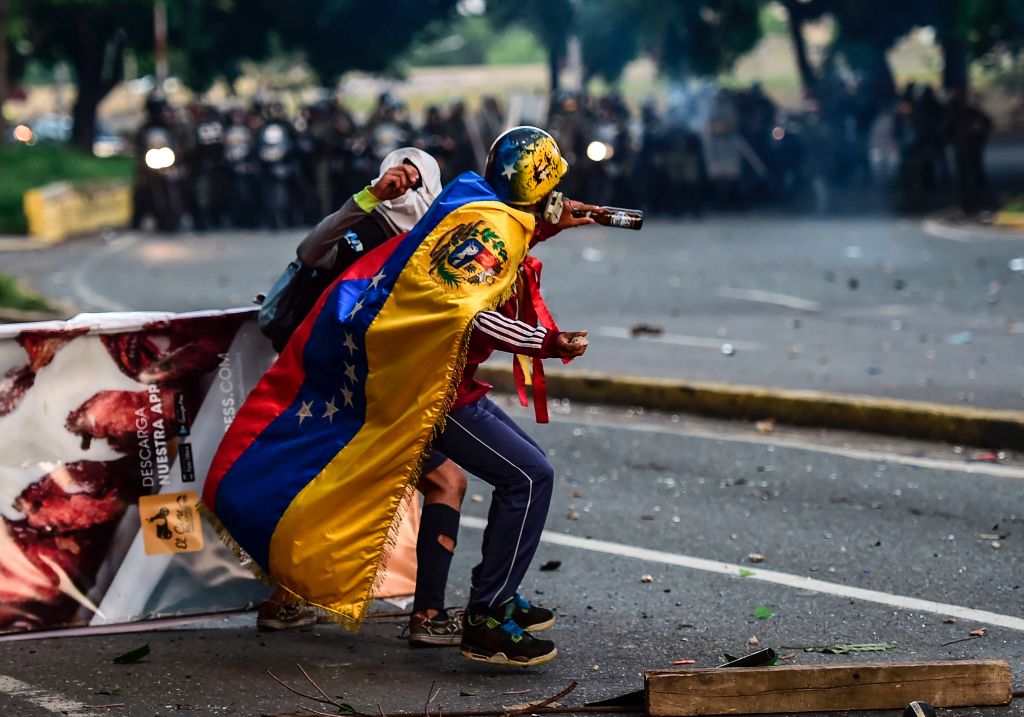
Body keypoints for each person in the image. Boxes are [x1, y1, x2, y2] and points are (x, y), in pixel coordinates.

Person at [256, 148, 473, 647]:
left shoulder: (431, 246)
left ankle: (282, 601)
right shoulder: (365, 230)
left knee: (334, 492)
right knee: (445, 480)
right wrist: (369, 198)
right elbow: (311, 253)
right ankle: (429, 615)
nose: (408, 189)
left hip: (384, 393)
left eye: (415, 182)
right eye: (402, 177)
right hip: (353, 396)